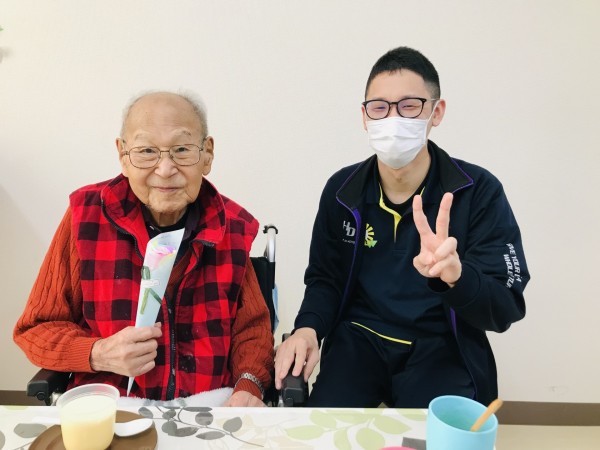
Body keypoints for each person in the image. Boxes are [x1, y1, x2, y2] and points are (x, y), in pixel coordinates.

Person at [274, 46, 530, 407]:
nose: (393, 118)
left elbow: (505, 306)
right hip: (358, 339)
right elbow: (325, 279)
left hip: (440, 346)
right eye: (379, 108)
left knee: (435, 434)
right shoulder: (342, 191)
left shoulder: (479, 192)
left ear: (436, 112)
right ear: (365, 117)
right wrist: (307, 328)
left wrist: (457, 278)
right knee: (325, 430)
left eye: (409, 106)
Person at [14, 91, 273, 406]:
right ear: (123, 155)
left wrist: (249, 385)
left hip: (206, 407)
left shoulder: (230, 226)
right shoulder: (86, 217)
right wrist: (98, 353)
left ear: (207, 155)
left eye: (181, 149)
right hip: (114, 406)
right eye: (147, 151)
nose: (165, 169)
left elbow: (252, 332)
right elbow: (36, 328)